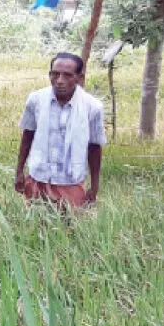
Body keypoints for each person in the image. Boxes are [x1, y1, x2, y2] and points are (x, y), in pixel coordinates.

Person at [14, 53, 107, 211]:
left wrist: (94, 186)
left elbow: (94, 147)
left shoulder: (92, 107)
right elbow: (27, 135)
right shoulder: (36, 100)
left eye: (67, 75)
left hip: (71, 181)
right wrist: (19, 171)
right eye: (55, 74)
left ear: (79, 77)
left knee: (71, 227)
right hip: (39, 178)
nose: (60, 81)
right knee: (36, 225)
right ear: (49, 75)